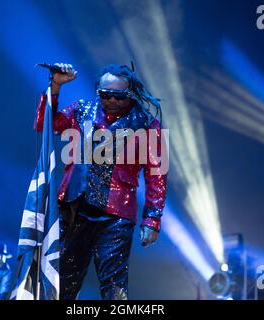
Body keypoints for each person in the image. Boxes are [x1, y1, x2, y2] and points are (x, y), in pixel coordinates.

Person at [34, 63, 168, 300]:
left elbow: (156, 174)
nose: (112, 101)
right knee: (63, 278)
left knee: (114, 283)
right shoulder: (82, 110)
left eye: (119, 96)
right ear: (98, 91)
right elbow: (44, 125)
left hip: (116, 215)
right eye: (106, 95)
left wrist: (152, 219)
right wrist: (55, 86)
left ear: (131, 93)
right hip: (75, 207)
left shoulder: (147, 125)